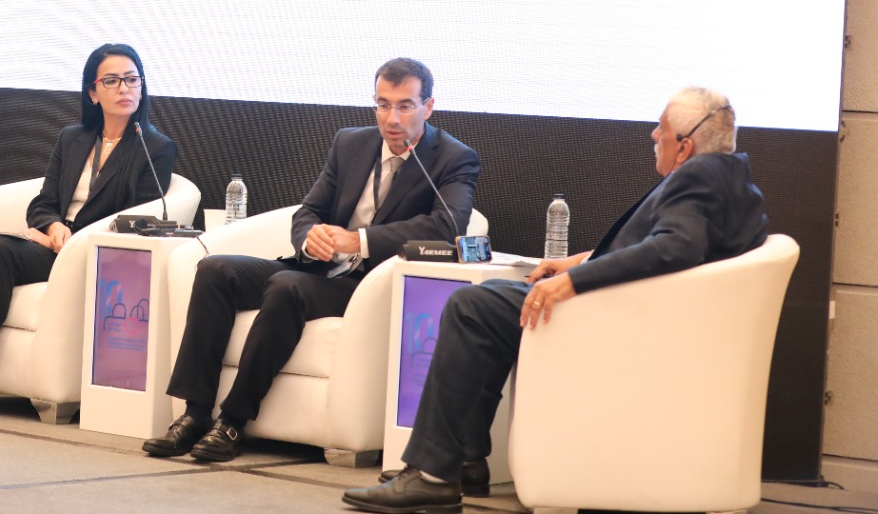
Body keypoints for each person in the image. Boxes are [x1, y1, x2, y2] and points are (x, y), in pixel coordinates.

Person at [342, 86, 766, 514]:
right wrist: (577, 261)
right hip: (641, 315)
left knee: (471, 308)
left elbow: (675, 248)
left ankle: (432, 476)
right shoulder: (732, 178)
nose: (653, 135)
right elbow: (663, 245)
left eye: (662, 128)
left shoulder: (698, 177)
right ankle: (465, 458)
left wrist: (574, 282)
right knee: (489, 299)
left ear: (685, 146)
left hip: (617, 322)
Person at [143, 58, 478, 463]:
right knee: (216, 269)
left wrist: (360, 241)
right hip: (317, 267)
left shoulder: (453, 158)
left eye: (405, 106)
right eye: (383, 104)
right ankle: (195, 414)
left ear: (429, 107)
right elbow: (309, 211)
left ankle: (232, 421)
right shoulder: (351, 144)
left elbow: (447, 224)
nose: (392, 118)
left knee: (286, 287)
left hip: (366, 284)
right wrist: (310, 238)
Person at [0, 42, 177, 418]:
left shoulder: (155, 147)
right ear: (93, 92)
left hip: (91, 253)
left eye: (132, 79)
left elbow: (136, 219)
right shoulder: (73, 139)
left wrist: (72, 239)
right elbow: (43, 202)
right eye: (112, 81)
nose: (124, 88)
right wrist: (53, 227)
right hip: (53, 242)